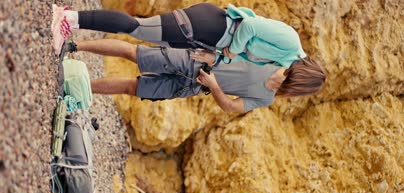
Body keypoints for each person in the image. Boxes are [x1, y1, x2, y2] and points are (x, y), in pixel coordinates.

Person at [61, 38, 325, 113]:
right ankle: (74, 46)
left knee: (133, 87)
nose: (291, 67)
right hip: (195, 60)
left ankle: (73, 86)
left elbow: (232, 106)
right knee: (136, 54)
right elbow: (243, 41)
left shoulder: (267, 98)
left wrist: (214, 87)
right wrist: (215, 57)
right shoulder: (274, 58)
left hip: (197, 86)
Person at [51, 3, 311, 72]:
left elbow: (240, 54)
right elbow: (250, 26)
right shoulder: (290, 41)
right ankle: (68, 19)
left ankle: (69, 20)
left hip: (208, 39)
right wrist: (231, 52)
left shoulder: (282, 61)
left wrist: (220, 58)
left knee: (139, 30)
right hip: (209, 24)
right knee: (136, 27)